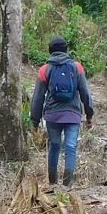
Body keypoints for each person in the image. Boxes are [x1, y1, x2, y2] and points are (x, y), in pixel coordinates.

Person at [29, 36, 96, 187]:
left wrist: (34, 121)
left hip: (52, 115)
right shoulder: (76, 67)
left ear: (50, 51)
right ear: (66, 50)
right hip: (73, 114)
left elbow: (37, 98)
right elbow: (85, 93)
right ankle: (68, 184)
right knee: (71, 146)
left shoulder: (44, 70)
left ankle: (53, 183)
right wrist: (89, 115)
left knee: (54, 145)